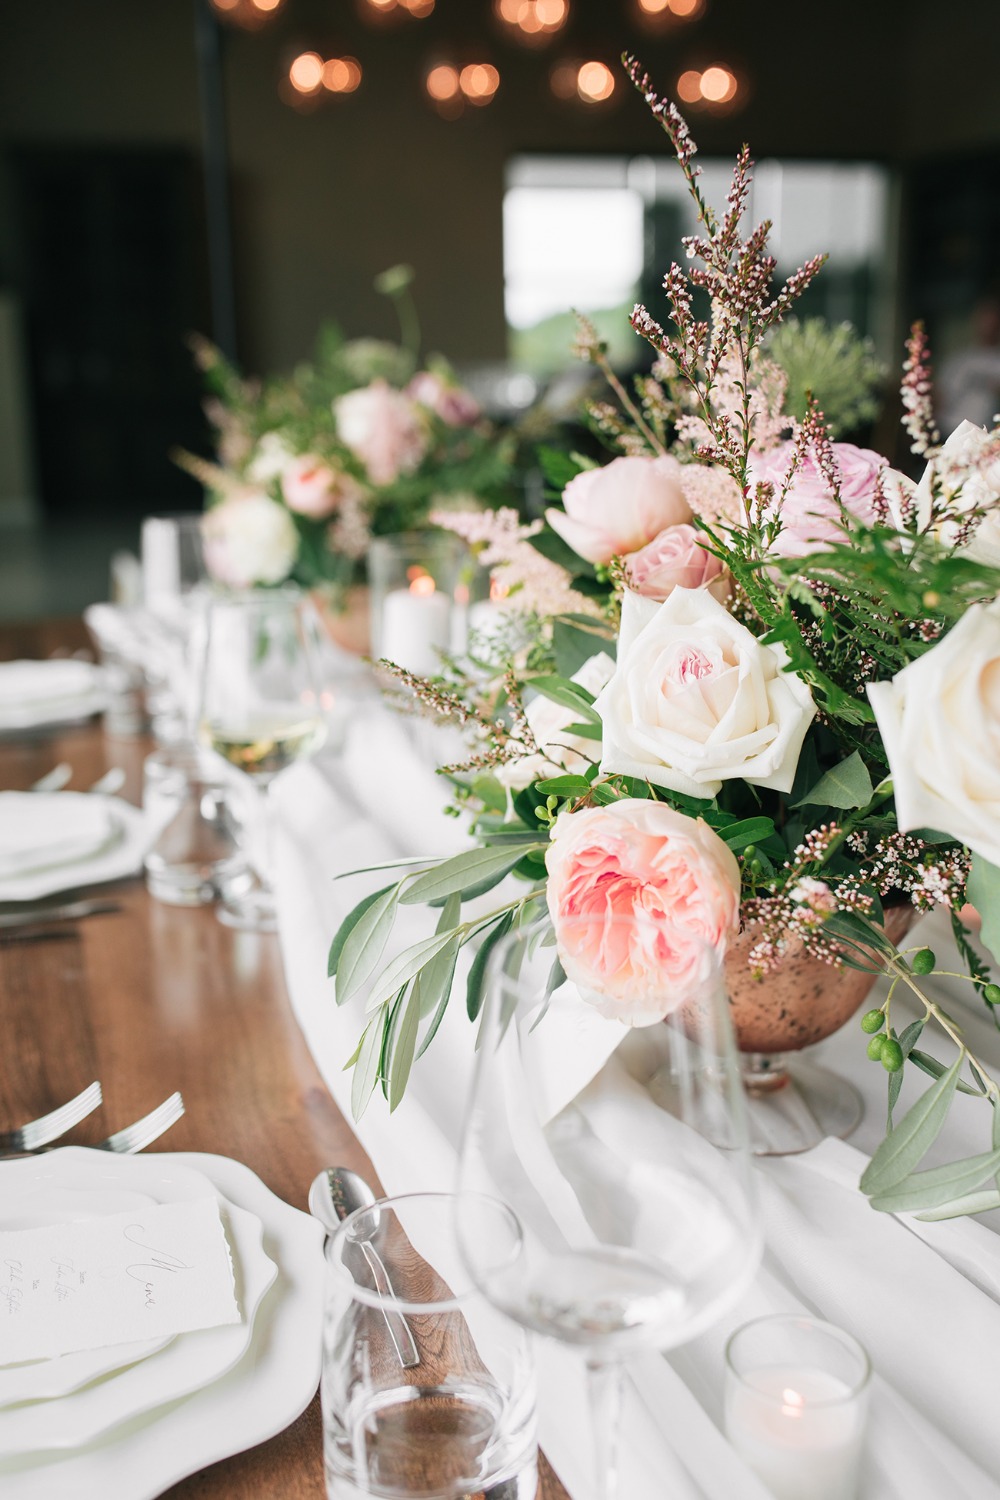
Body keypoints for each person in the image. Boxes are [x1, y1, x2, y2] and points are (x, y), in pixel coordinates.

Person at [937, 293, 1000, 435]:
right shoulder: (959, 360)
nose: (989, 325)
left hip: (989, 436)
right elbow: (941, 397)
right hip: (952, 430)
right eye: (985, 319)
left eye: (993, 319)